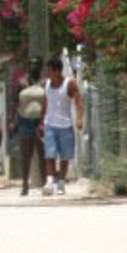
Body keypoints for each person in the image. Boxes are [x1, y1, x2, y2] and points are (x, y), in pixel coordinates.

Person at [40, 55, 83, 196]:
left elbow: (78, 100)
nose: (48, 74)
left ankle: (61, 183)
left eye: (50, 71)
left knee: (64, 157)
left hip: (65, 125)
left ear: (57, 71)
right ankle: (49, 181)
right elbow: (45, 103)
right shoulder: (45, 84)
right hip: (50, 124)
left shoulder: (69, 84)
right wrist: (41, 122)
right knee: (49, 154)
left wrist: (79, 118)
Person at [14, 60, 46, 197]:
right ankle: (25, 184)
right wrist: (11, 121)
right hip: (25, 121)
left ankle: (45, 183)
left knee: (42, 154)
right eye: (31, 64)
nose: (33, 67)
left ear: (40, 67)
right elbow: (14, 101)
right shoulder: (21, 83)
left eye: (36, 65)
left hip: (41, 121)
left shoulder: (45, 83)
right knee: (25, 155)